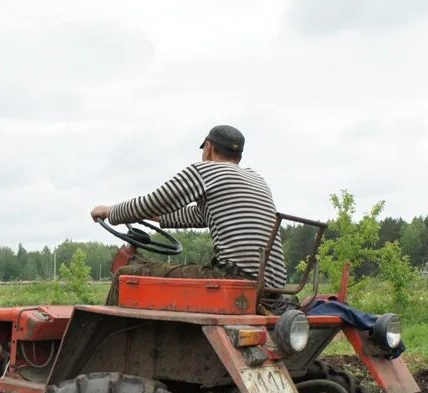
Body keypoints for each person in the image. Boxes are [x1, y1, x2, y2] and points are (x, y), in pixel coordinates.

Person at [90, 125, 288, 306]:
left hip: (234, 280)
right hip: (272, 287)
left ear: (208, 147)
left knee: (124, 276)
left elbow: (154, 201)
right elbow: (196, 215)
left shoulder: (205, 171)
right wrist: (155, 216)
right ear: (239, 157)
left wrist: (111, 211)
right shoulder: (256, 178)